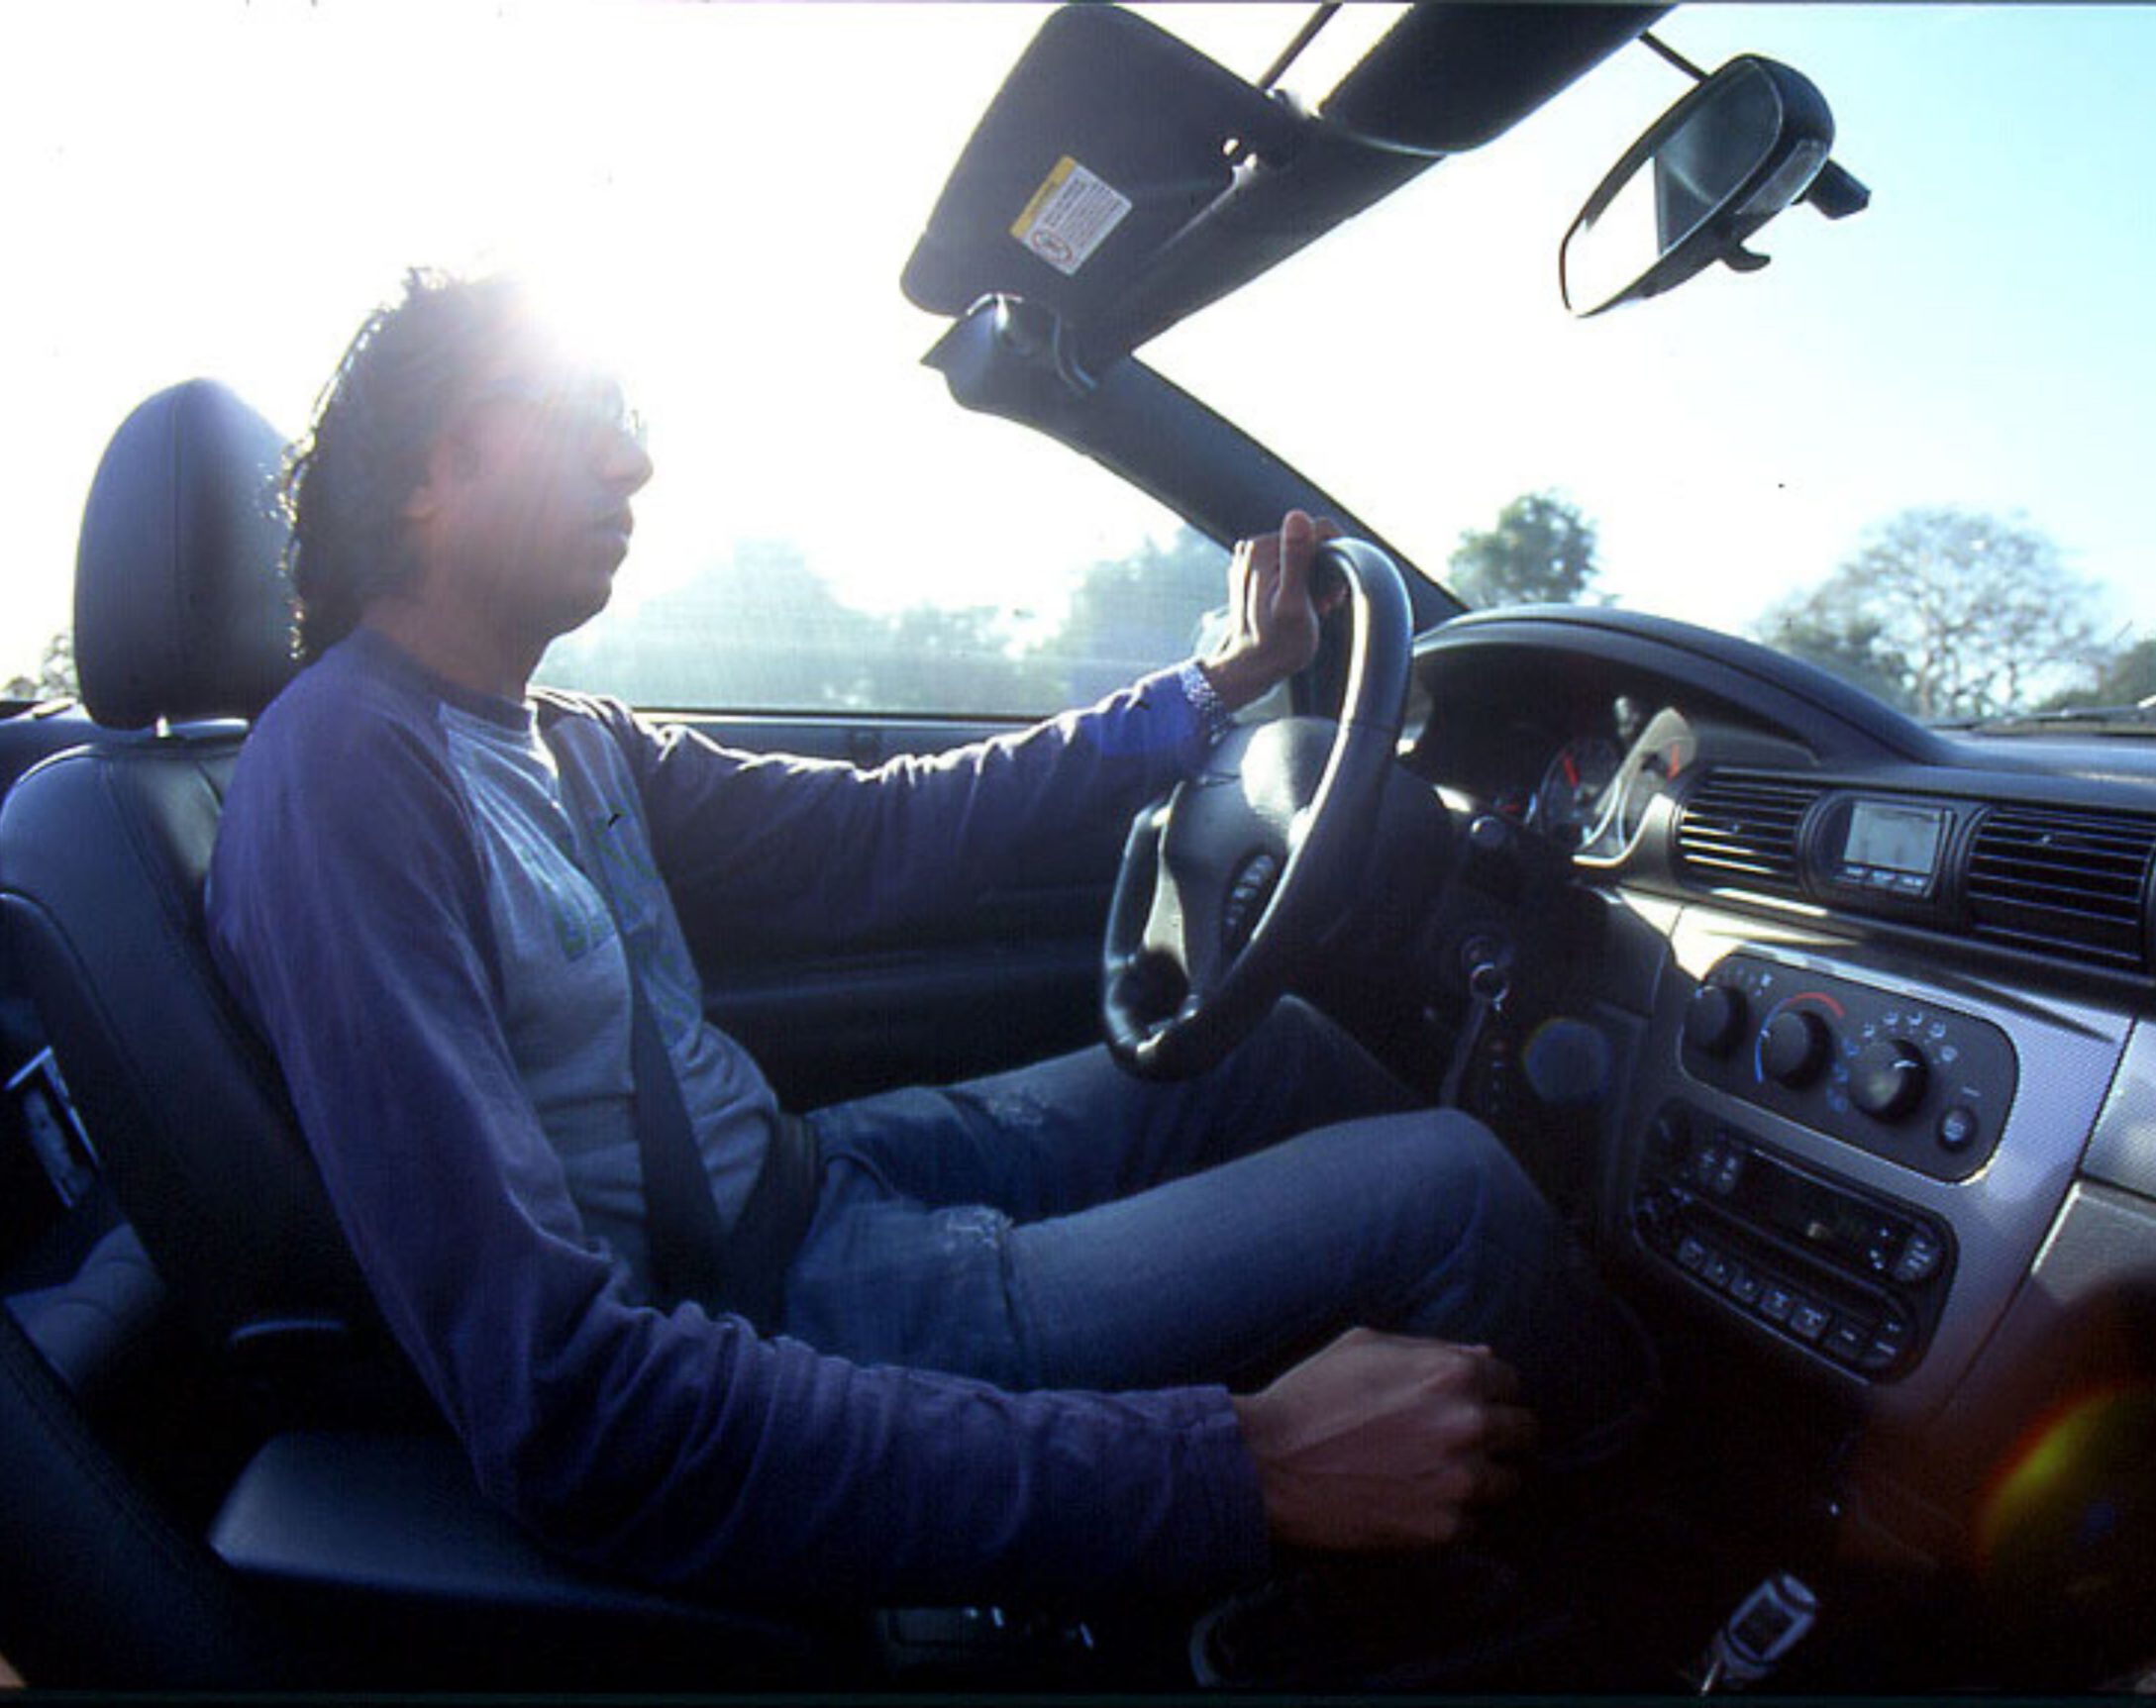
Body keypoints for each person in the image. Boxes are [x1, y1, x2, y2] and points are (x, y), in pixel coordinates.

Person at [206, 269, 1649, 1618]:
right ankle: (1642, 1575)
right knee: (1452, 1192)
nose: (631, 462)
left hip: (812, 1180)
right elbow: (576, 1411)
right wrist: (1240, 1465)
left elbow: (888, 830)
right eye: (577, 417)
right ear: (431, 472)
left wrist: (1216, 686)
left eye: (624, 421)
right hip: (756, 1308)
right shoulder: (341, 779)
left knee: (1275, 1054)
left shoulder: (570, 739)